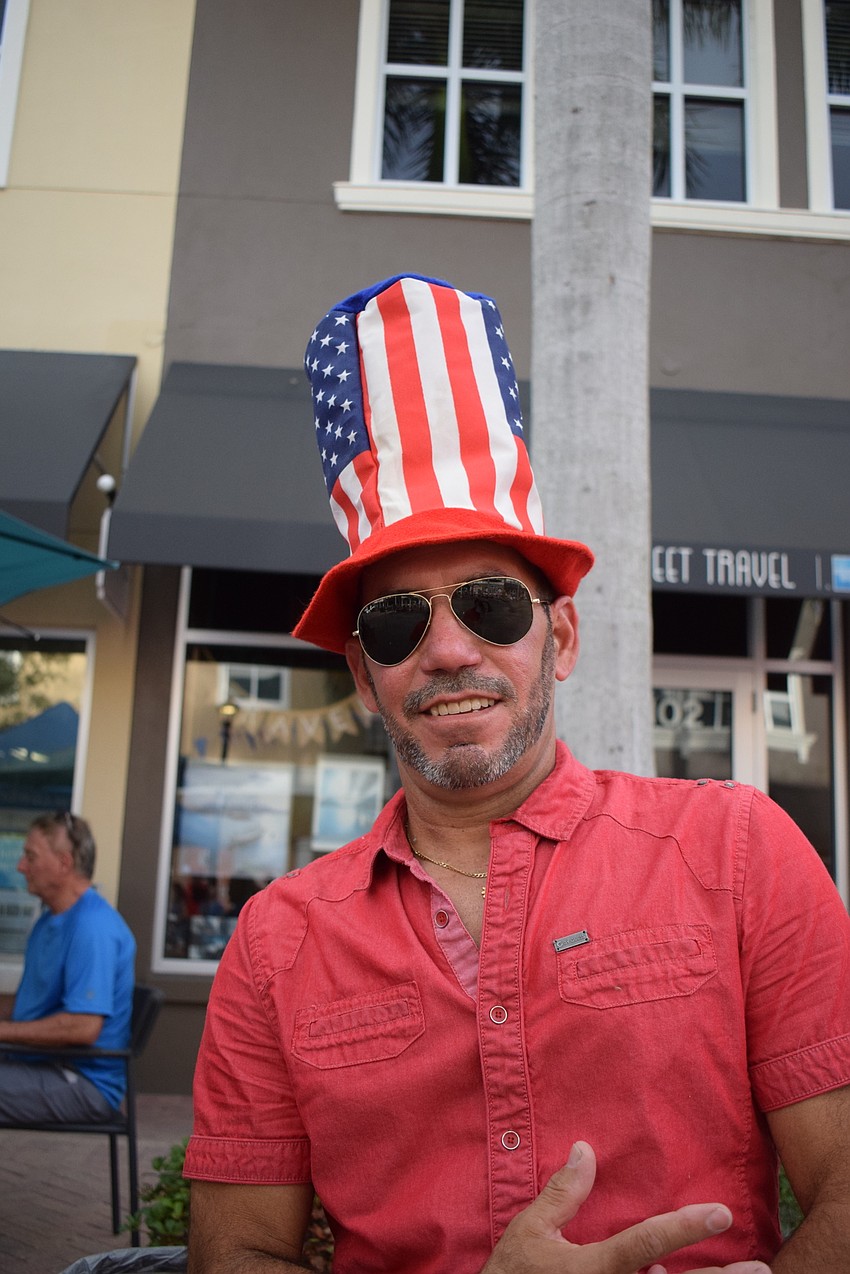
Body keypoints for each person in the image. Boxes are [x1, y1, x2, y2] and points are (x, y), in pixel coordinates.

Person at [184, 275, 850, 1273]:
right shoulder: (278, 941)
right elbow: (230, 1253)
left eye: (491, 604)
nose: (448, 650)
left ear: (561, 636)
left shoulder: (736, 849)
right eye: (397, 621)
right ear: (365, 675)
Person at [0, 810, 136, 1121]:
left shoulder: (93, 927)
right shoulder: (49, 920)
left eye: (30, 857)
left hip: (81, 1082)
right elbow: (27, 1006)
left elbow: (83, 1027)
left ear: (64, 863)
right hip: (39, 1065)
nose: (21, 867)